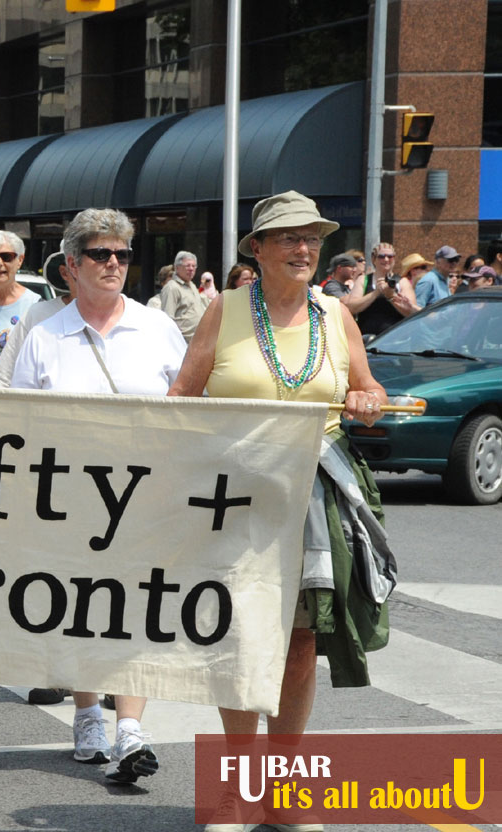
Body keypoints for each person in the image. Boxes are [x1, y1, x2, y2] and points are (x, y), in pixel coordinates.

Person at [167, 191, 390, 832]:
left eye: (312, 238)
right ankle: (238, 793)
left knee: (297, 644)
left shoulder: (336, 314)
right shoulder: (225, 309)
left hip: (314, 496)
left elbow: (365, 386)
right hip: (234, 496)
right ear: (257, 250)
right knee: (239, 639)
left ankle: (285, 792)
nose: (302, 249)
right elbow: (181, 395)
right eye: (288, 238)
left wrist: (367, 398)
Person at [10, 209, 186, 785]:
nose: (114, 264)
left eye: (123, 255)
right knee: (81, 607)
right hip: (66, 496)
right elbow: (18, 423)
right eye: (101, 254)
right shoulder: (43, 335)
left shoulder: (157, 328)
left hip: (145, 497)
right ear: (70, 267)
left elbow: (191, 408)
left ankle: (130, 726)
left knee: (137, 607)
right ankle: (88, 713)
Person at [0, 249, 71, 389]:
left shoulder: (122, 318)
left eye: (121, 256)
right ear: (65, 272)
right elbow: (2, 381)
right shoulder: (37, 315)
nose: (109, 264)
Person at [348, 242, 418, 337]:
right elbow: (352, 307)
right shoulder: (364, 280)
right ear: (374, 259)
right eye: (381, 256)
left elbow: (411, 312)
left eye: (390, 256)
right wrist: (376, 292)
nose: (386, 259)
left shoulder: (402, 282)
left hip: (396, 337)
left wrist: (391, 296)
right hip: (367, 338)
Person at [158, 250, 206, 340]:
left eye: (194, 266)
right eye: (187, 265)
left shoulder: (192, 285)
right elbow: (167, 319)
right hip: (182, 342)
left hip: (197, 341)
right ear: (177, 268)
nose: (191, 269)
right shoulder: (172, 287)